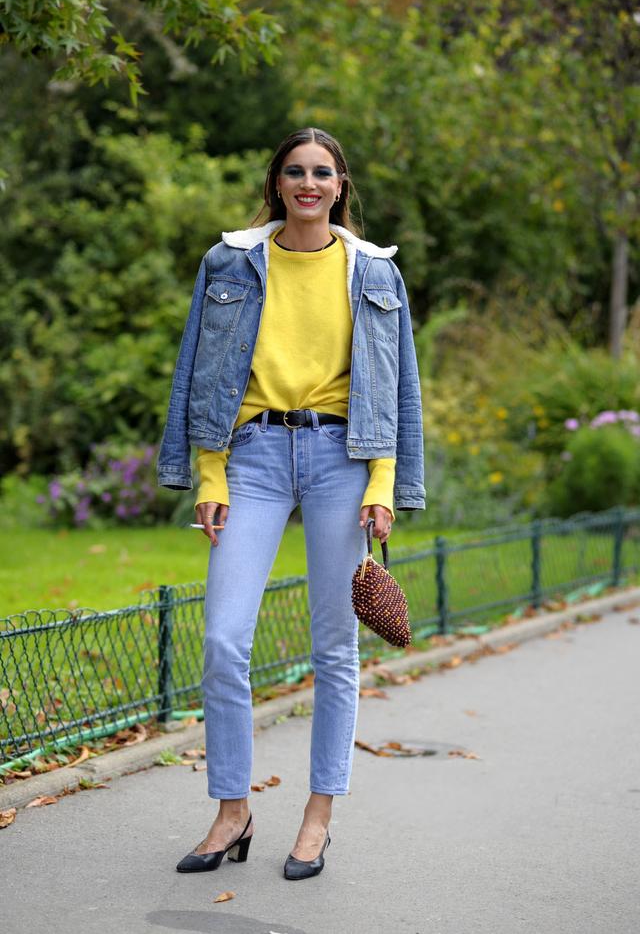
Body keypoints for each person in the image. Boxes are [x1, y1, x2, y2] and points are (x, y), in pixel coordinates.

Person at [157, 127, 426, 880]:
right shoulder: (229, 262)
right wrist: (209, 473)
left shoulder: (373, 271)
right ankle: (232, 810)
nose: (309, 184)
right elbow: (200, 369)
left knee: (335, 646)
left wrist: (383, 483)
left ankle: (318, 815)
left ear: (340, 185)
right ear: (276, 183)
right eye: (295, 171)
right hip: (253, 456)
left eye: (322, 173)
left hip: (343, 457)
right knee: (223, 639)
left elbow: (397, 384)